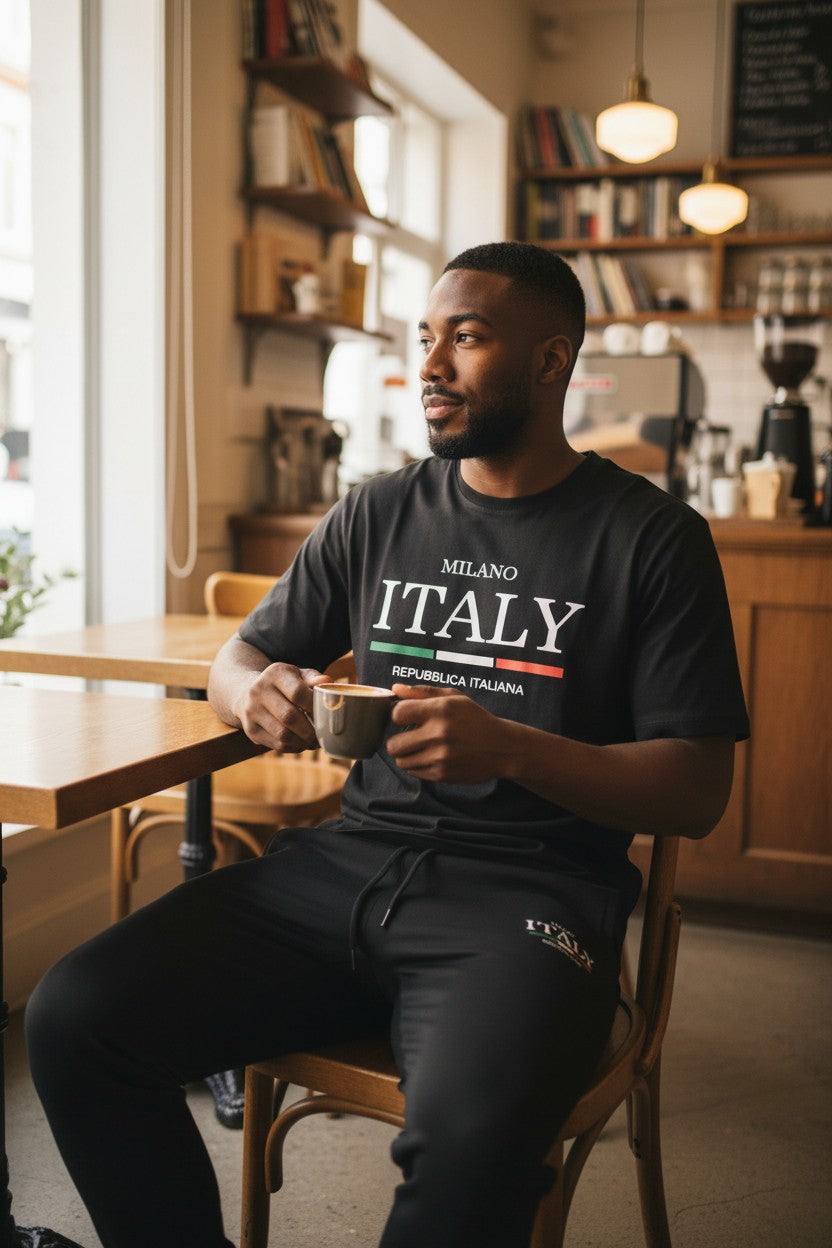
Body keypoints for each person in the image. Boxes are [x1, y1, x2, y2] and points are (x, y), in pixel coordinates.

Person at [25, 241, 749, 1248]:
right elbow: (239, 656)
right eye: (424, 340)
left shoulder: (651, 537)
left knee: (472, 1150)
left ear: (550, 362)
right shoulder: (377, 508)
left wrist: (511, 749)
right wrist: (256, 695)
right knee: (74, 1017)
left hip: (528, 900)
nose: (432, 367)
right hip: (331, 871)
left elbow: (697, 789)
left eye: (467, 337)